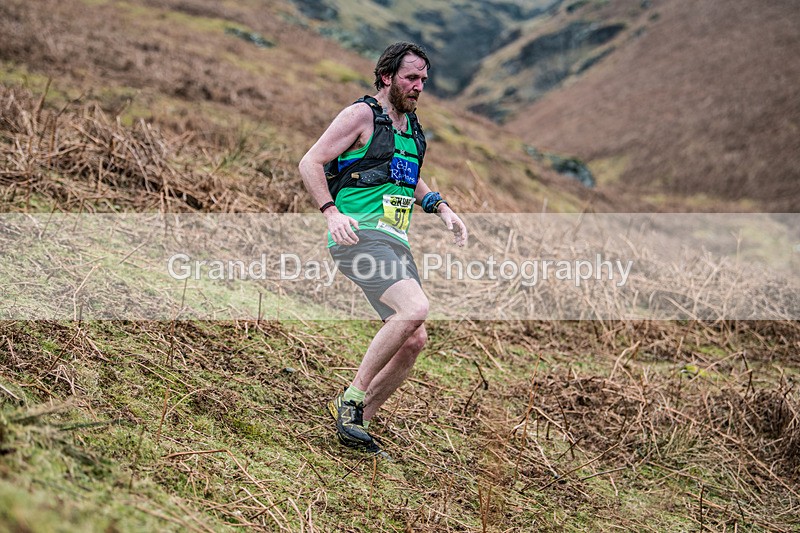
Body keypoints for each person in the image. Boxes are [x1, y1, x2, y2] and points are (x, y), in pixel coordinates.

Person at [298, 42, 468, 455]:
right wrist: (330, 212)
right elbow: (310, 161)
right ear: (387, 76)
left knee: (413, 340)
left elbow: (409, 177)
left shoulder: (411, 127)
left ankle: (355, 424)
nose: (418, 87)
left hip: (395, 242)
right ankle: (352, 399)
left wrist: (441, 207)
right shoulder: (360, 115)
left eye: (424, 80)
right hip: (359, 238)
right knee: (415, 309)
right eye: (411, 78)